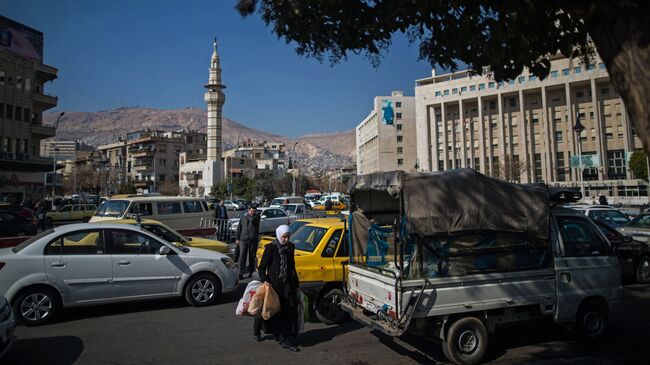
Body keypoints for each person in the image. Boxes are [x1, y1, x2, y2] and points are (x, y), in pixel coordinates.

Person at [255, 225, 300, 352]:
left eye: (288, 237)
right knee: (271, 310)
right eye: (284, 237)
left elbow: (292, 266)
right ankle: (260, 328)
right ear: (278, 235)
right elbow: (262, 267)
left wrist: (296, 284)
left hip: (288, 284)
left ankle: (286, 337)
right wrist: (265, 281)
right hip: (274, 285)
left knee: (289, 310)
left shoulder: (291, 247)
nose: (286, 239)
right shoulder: (271, 248)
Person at [236, 206, 260, 279]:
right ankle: (240, 272)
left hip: (253, 240)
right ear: (248, 210)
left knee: (252, 256)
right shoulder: (243, 218)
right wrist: (237, 238)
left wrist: (249, 215)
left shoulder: (257, 217)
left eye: (254, 211)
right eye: (251, 211)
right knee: (242, 256)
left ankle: (250, 271)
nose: (252, 213)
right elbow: (239, 228)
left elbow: (252, 220)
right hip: (243, 239)